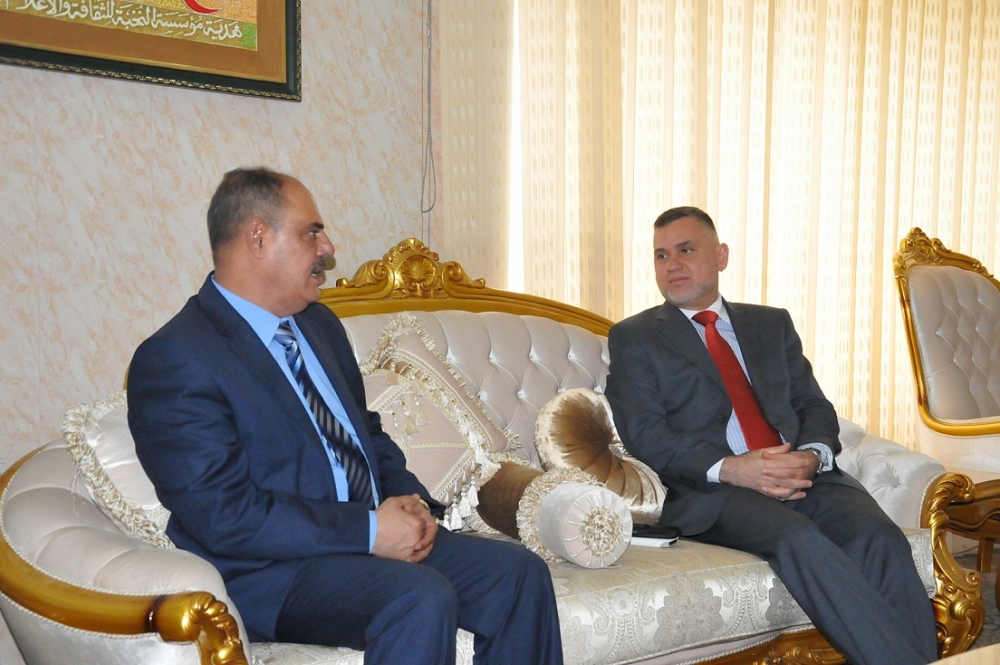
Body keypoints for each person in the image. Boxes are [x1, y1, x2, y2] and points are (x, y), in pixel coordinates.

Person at [127, 167, 563, 665]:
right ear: (258, 237)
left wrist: (410, 501)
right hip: (271, 571)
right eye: (311, 232)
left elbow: (364, 433)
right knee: (417, 597)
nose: (328, 247)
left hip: (364, 538)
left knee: (519, 575)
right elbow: (225, 515)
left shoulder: (319, 325)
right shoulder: (177, 357)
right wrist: (369, 530)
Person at [604, 206, 937, 665]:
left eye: (686, 250)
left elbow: (813, 405)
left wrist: (812, 456)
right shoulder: (635, 337)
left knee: (879, 536)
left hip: (803, 474)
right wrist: (734, 469)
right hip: (717, 491)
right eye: (661, 255)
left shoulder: (770, 324)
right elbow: (645, 433)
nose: (671, 264)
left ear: (720, 256)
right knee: (801, 542)